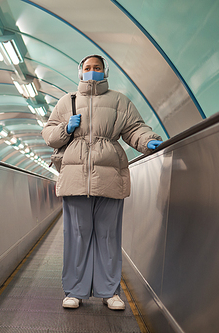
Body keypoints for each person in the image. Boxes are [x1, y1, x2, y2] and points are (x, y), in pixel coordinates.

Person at [41, 55, 163, 310]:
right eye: (87, 68)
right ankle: (75, 291)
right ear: (80, 72)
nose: (92, 72)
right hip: (75, 178)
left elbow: (134, 128)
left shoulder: (119, 101)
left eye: (97, 68)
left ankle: (110, 292)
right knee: (77, 235)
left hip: (109, 177)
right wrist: (65, 128)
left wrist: (148, 140)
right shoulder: (67, 101)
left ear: (105, 71)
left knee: (108, 236)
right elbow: (49, 135)